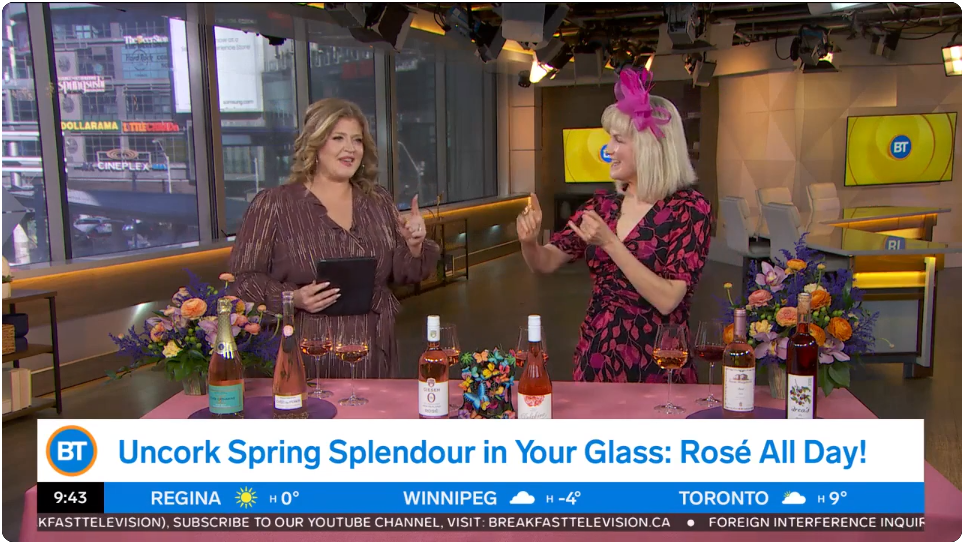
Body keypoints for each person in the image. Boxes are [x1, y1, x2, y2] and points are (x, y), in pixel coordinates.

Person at [516, 67, 713, 384]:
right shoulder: (601, 207)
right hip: (597, 357)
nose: (608, 149)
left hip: (660, 363)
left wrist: (610, 243)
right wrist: (528, 242)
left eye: (618, 140)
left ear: (649, 148)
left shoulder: (689, 209)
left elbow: (667, 299)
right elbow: (545, 262)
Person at [228, 98, 440, 379]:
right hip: (305, 352)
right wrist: (292, 298)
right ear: (315, 145)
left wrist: (413, 245)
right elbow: (242, 282)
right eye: (338, 138)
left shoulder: (377, 201)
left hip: (372, 350)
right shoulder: (274, 205)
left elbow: (404, 273)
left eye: (357, 140)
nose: (350, 148)